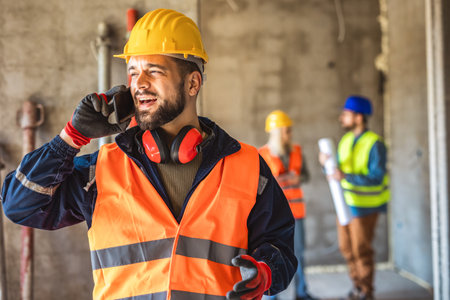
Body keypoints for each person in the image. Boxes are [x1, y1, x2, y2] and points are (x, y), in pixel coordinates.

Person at [1, 9, 297, 300]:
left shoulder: (246, 166)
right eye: (133, 72)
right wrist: (71, 138)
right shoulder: (101, 171)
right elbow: (19, 205)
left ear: (193, 83)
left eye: (153, 72)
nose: (139, 83)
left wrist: (263, 273)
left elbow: (280, 247)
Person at [319, 95, 390, 300]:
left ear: (359, 117)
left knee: (361, 250)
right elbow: (337, 173)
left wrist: (346, 176)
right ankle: (357, 287)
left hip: (366, 206)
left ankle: (366, 292)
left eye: (346, 114)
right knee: (346, 249)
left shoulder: (375, 143)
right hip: (346, 204)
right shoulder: (346, 140)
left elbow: (377, 177)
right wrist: (326, 164)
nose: (342, 118)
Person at [259, 110, 318, 300]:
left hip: (296, 213)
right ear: (275, 132)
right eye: (286, 131)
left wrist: (296, 177)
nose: (289, 135)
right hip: (272, 215)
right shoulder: (261, 154)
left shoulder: (297, 151)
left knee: (298, 254)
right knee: (270, 255)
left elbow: (306, 175)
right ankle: (271, 296)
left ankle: (302, 293)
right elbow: (256, 185)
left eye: (290, 131)